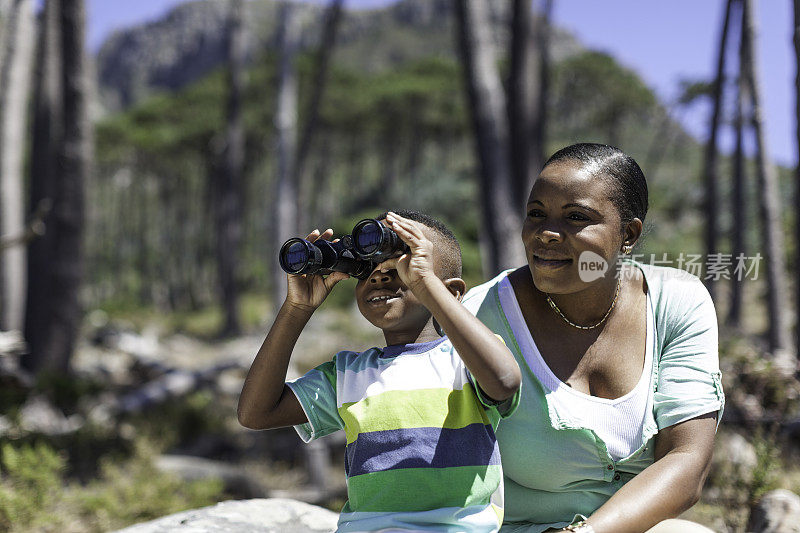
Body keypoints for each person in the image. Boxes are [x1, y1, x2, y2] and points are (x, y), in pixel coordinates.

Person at [462, 144, 724, 533]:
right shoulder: (479, 314)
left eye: (576, 217)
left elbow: (687, 458)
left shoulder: (676, 300)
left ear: (628, 234)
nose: (546, 234)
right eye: (536, 214)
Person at [238, 210, 522, 532]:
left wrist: (426, 283)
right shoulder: (346, 375)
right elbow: (256, 413)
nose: (380, 276)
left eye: (404, 265)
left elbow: (504, 381)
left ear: (452, 291)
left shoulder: (465, 360)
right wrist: (296, 309)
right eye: (366, 271)